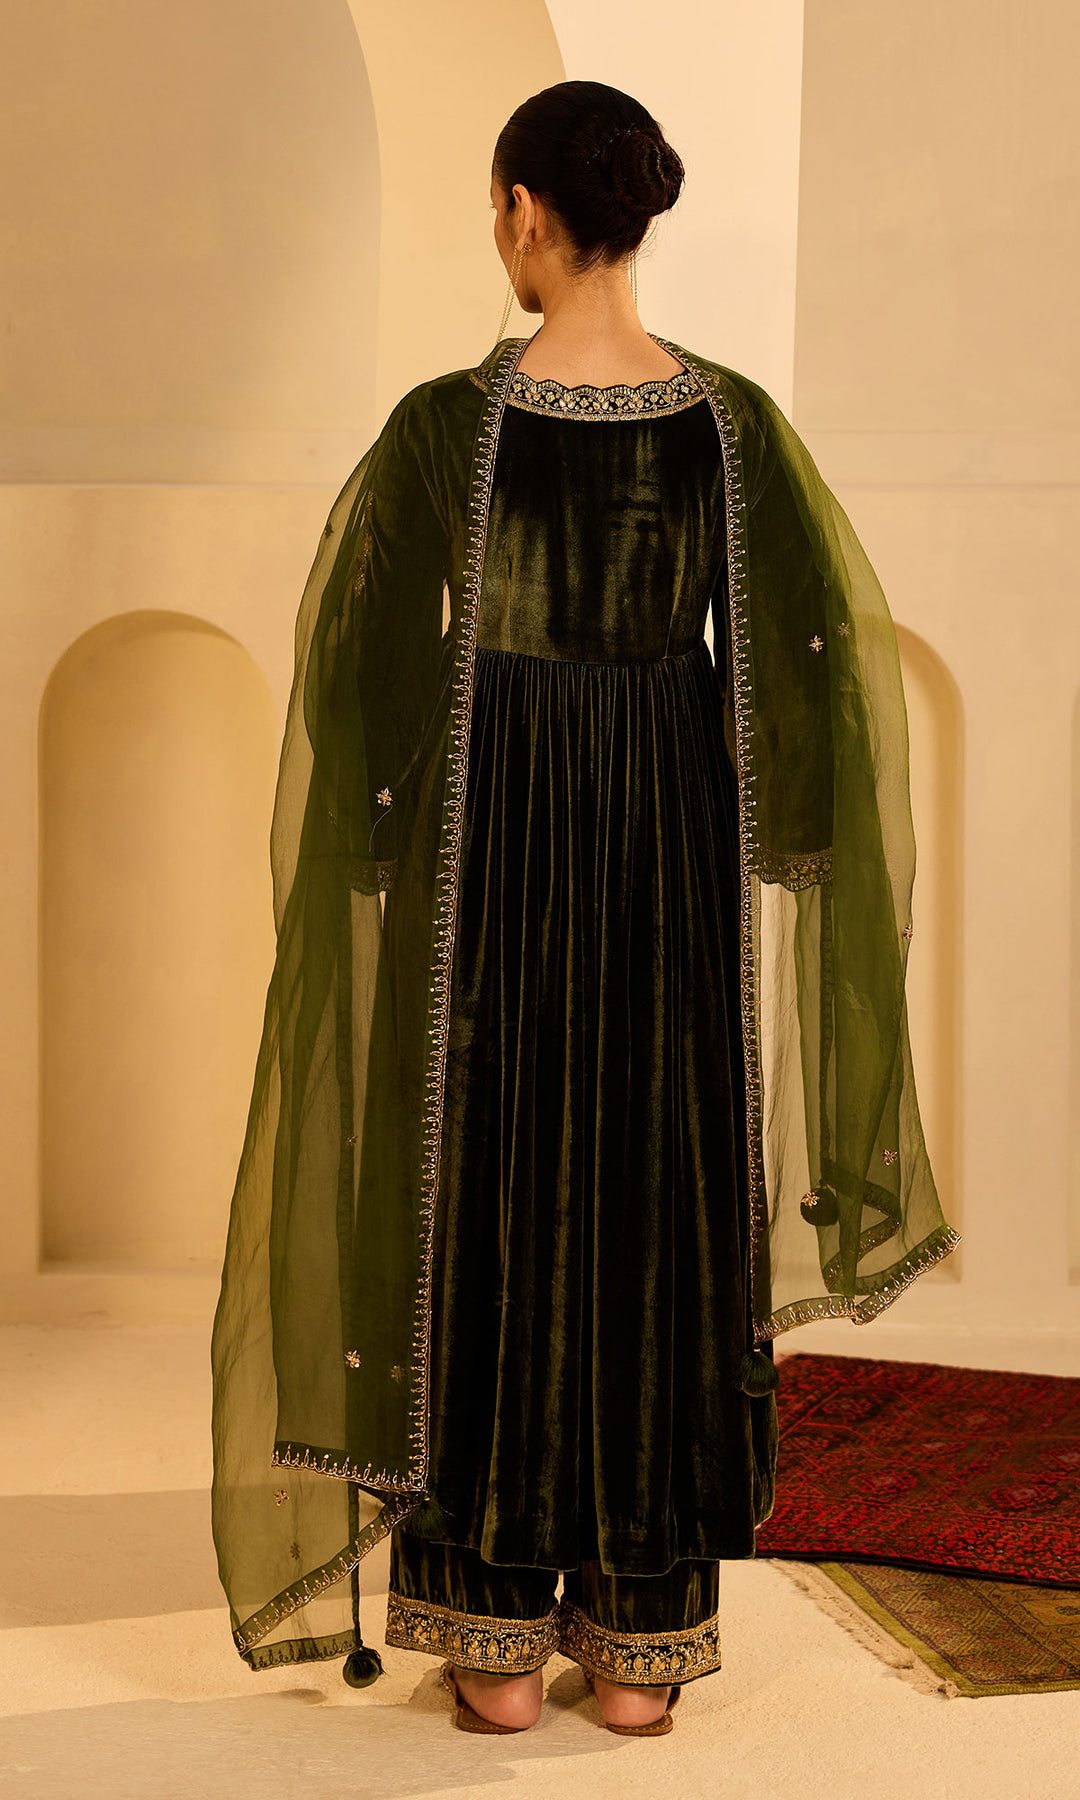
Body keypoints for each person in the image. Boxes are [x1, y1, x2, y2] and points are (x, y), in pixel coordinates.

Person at [210, 79, 960, 1738]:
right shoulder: (731, 428)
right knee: (657, 1186)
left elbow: (359, 676)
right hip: (669, 854)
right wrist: (777, 823)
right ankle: (639, 1645)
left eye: (500, 211)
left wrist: (383, 837)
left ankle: (488, 1641)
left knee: (486, 1184)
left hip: (491, 852)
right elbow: (811, 667)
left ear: (525, 213)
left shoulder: (444, 429)